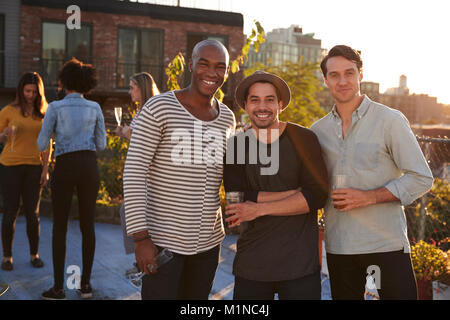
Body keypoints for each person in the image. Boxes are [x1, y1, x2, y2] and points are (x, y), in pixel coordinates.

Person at [310, 45, 434, 300]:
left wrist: (369, 197)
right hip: (340, 246)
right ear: (325, 80)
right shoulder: (317, 131)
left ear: (360, 76)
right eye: (334, 75)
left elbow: (421, 178)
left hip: (385, 245)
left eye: (349, 73)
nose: (342, 81)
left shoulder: (390, 120)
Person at [123, 39, 235, 300]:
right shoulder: (159, 107)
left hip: (208, 246)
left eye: (220, 67)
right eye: (204, 64)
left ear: (227, 72)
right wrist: (141, 238)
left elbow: (225, 173)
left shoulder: (228, 117)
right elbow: (134, 173)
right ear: (191, 65)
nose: (211, 73)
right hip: (163, 244)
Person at [223, 71, 329, 299]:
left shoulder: (304, 139)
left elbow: (318, 196)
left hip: (299, 267)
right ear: (246, 106)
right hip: (253, 266)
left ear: (280, 105)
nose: (263, 106)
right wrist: (294, 195)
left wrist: (258, 208)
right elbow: (235, 204)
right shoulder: (237, 145)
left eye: (269, 99)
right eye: (255, 100)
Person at [38, 58, 107, 300]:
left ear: (64, 82)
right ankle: (85, 285)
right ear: (88, 83)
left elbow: (40, 143)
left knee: (60, 226)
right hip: (88, 165)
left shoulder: (55, 108)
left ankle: (58, 288)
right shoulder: (95, 108)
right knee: (88, 226)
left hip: (65, 166)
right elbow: (102, 144)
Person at [0, 72, 50, 272]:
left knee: (33, 214)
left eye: (34, 92)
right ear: (21, 90)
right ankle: (7, 257)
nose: (30, 95)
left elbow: (47, 144)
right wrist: (3, 134)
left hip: (34, 167)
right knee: (10, 212)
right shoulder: (8, 110)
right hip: (10, 166)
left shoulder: (44, 112)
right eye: (27, 91)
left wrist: (46, 169)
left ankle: (34, 255)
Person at [114, 72, 160, 279]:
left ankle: (147, 261)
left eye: (133, 87)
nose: (130, 91)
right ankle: (141, 260)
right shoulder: (140, 111)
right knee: (129, 212)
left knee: (134, 213)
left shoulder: (151, 111)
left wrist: (126, 133)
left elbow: (144, 140)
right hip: (143, 173)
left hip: (152, 177)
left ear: (143, 88)